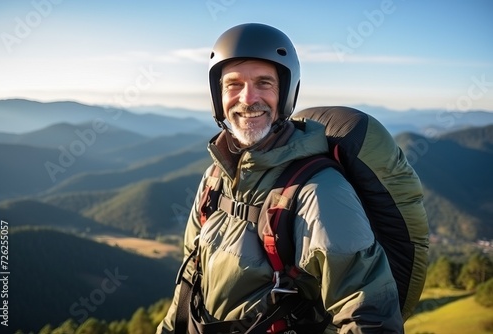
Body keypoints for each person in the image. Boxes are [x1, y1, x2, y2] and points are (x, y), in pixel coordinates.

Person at [157, 23, 403, 333]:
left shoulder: (319, 192)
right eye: (233, 84)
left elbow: (368, 318)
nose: (248, 98)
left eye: (264, 83)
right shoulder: (215, 179)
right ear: (217, 95)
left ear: (286, 93)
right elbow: (191, 283)